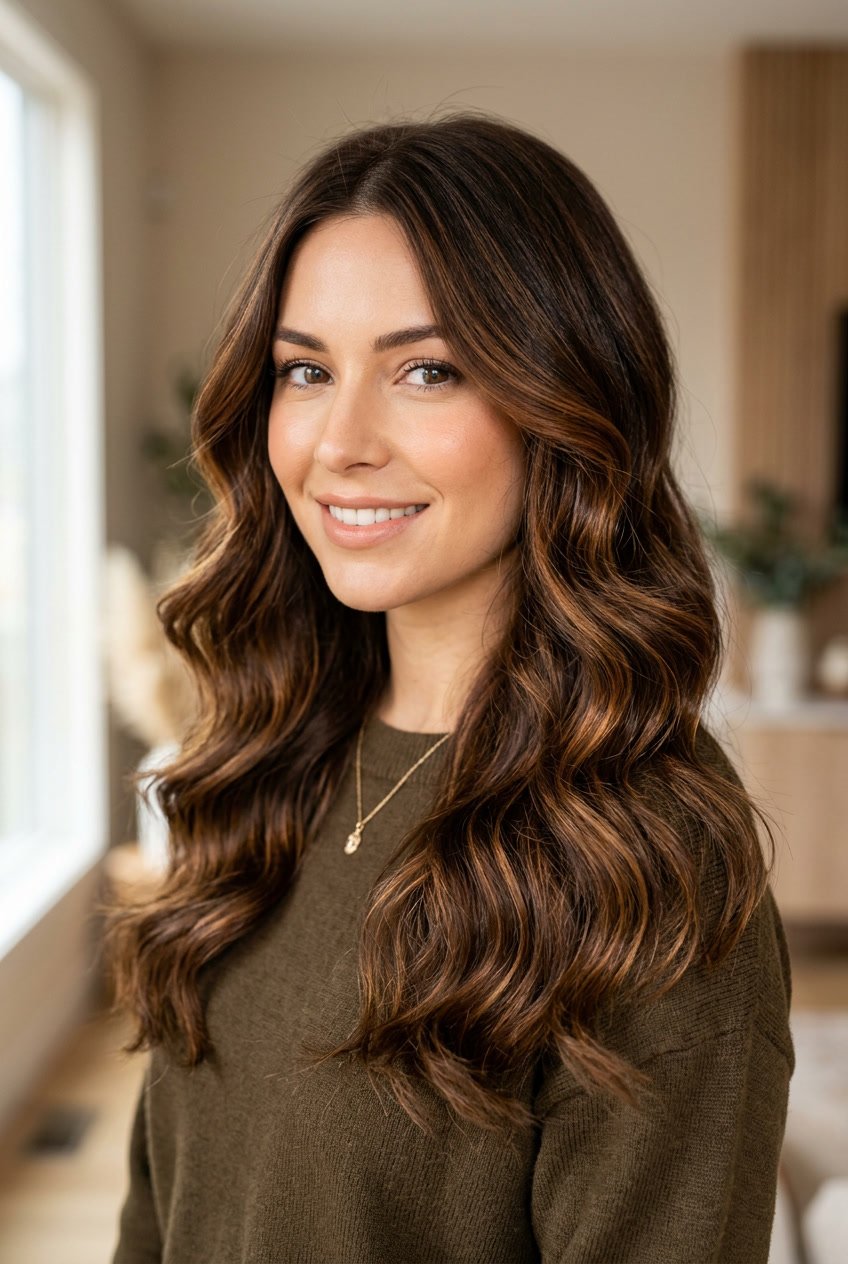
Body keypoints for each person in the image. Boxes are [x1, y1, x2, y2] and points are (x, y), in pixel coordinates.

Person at [107, 112, 794, 1263]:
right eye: (304, 370)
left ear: (563, 399)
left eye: (427, 369)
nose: (341, 440)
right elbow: (163, 1199)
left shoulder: (652, 862)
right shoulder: (268, 748)